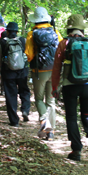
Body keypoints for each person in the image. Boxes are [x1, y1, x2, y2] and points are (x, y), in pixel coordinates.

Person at [51, 14, 88, 160]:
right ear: (81, 29)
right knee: (87, 114)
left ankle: (77, 150)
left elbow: (56, 68)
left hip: (70, 85)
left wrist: (55, 87)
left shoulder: (64, 43)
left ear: (69, 28)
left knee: (71, 117)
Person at [25, 7, 63, 140]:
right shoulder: (55, 32)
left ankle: (44, 121)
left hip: (39, 72)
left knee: (39, 99)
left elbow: (29, 54)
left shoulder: (31, 34)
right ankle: (50, 132)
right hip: (54, 71)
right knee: (51, 101)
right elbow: (61, 49)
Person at [0, 22, 31, 127]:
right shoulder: (22, 41)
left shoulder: (3, 42)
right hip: (22, 72)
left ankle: (14, 121)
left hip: (8, 72)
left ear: (7, 31)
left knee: (11, 95)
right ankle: (25, 110)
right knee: (25, 91)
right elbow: (28, 56)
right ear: (17, 31)